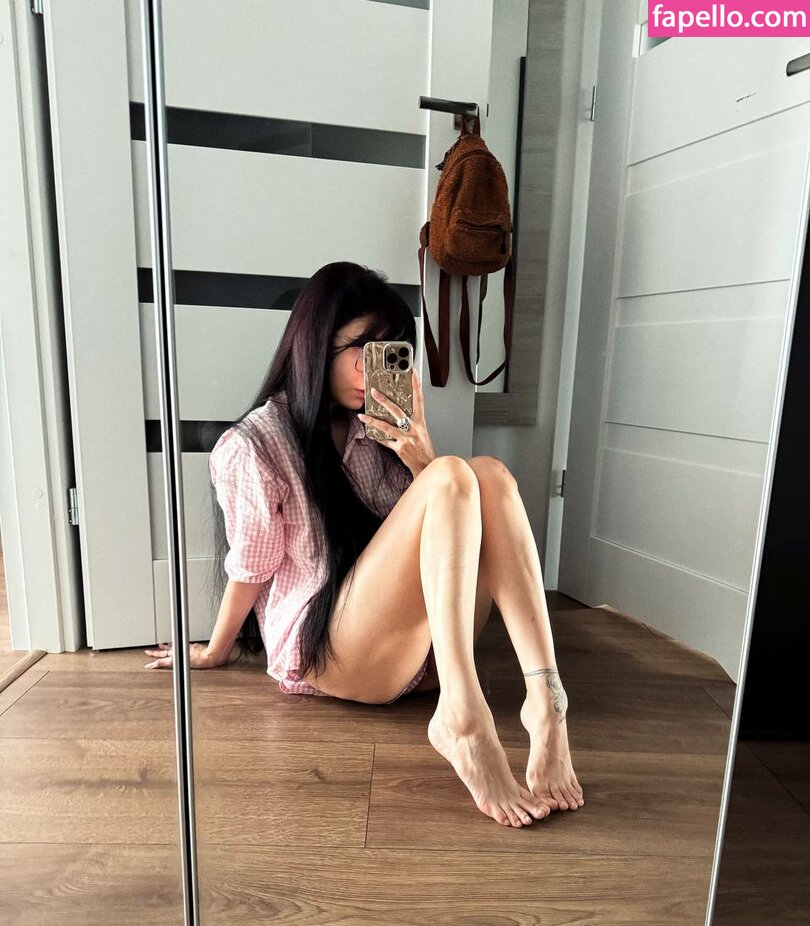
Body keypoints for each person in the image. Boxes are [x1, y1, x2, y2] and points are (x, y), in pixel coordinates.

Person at [145, 262, 583, 828]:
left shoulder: (376, 429)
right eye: (360, 349)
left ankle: (547, 705)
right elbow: (251, 565)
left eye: (388, 351)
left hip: (417, 657)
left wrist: (421, 457)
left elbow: (442, 539)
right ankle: (463, 716)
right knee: (455, 476)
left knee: (488, 476)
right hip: (332, 655)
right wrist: (215, 649)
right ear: (314, 345)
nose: (371, 368)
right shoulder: (254, 444)